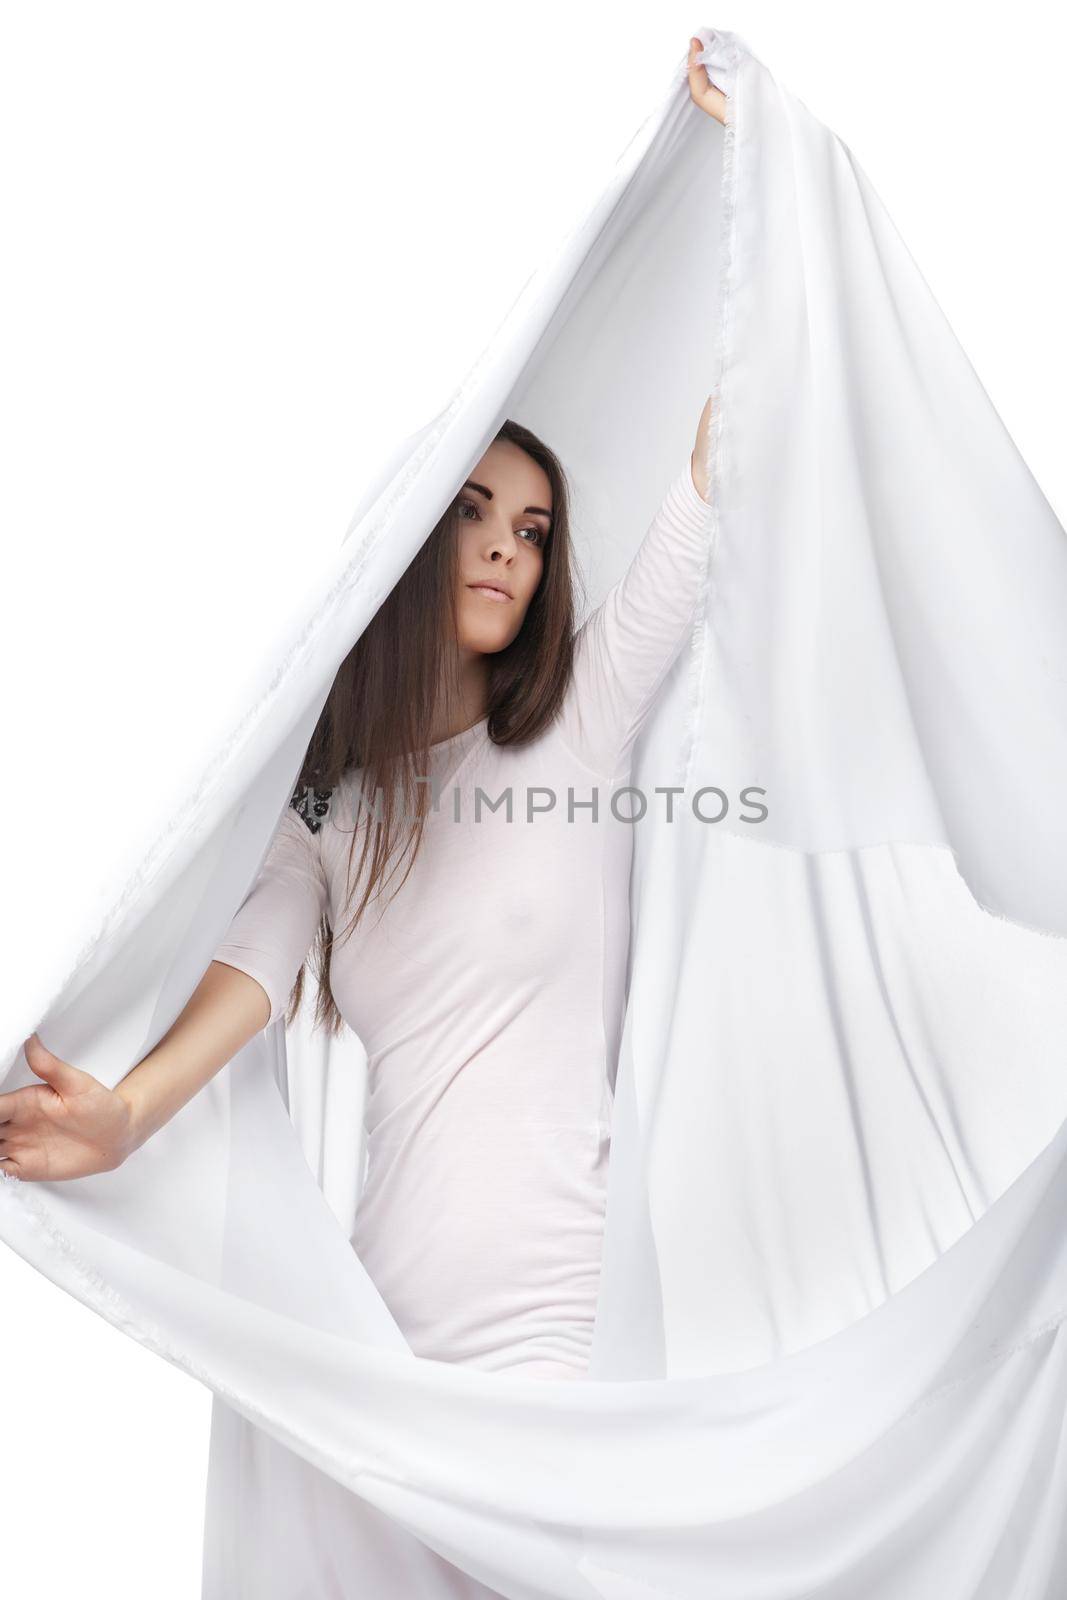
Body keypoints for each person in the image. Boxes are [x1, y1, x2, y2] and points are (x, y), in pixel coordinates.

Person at [1, 39, 727, 1386]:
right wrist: (124, 1120)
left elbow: (721, 446)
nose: (509, 546)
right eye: (473, 515)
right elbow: (251, 980)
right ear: (413, 543)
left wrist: (737, 178)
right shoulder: (333, 809)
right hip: (385, 1338)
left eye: (533, 526)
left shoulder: (585, 720)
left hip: (562, 1321)